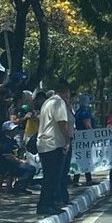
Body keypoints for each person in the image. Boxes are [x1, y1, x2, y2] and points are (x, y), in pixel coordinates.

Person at [35, 81, 71, 215]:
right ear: (65, 91)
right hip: (53, 144)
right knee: (52, 177)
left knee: (51, 177)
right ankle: (44, 205)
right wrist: (67, 140)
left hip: (46, 143)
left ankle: (50, 203)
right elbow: (62, 123)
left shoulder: (48, 102)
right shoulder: (58, 102)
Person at [0, 120, 36, 194]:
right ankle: (19, 187)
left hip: (14, 164)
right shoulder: (4, 141)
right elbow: (7, 156)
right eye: (13, 130)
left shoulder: (13, 141)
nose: (15, 131)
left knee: (31, 166)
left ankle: (21, 187)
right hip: (7, 165)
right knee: (30, 169)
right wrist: (20, 161)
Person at [72, 95, 97, 186]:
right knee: (86, 158)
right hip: (86, 138)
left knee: (81, 158)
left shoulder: (78, 112)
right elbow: (87, 124)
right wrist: (94, 135)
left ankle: (77, 179)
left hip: (80, 137)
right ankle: (88, 179)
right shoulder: (85, 112)